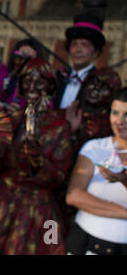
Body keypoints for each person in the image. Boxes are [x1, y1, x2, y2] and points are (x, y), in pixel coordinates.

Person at [0, 57, 73, 255]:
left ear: (50, 86)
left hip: (36, 212)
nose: (32, 87)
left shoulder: (60, 127)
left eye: (39, 82)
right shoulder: (13, 119)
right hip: (1, 203)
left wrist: (38, 159)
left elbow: (58, 177)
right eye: (27, 82)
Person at [65, 87, 127, 255]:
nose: (119, 121)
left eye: (126, 115)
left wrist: (123, 180)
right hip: (82, 243)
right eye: (115, 113)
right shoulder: (95, 147)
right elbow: (74, 196)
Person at [54, 12, 105, 111]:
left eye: (84, 45)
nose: (78, 50)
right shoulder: (58, 77)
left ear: (95, 52)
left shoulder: (100, 82)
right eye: (74, 44)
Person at [0, 38, 43, 113]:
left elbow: (43, 109)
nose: (23, 62)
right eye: (20, 56)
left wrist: (22, 112)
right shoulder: (1, 73)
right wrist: (1, 106)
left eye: (29, 59)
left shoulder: (39, 82)